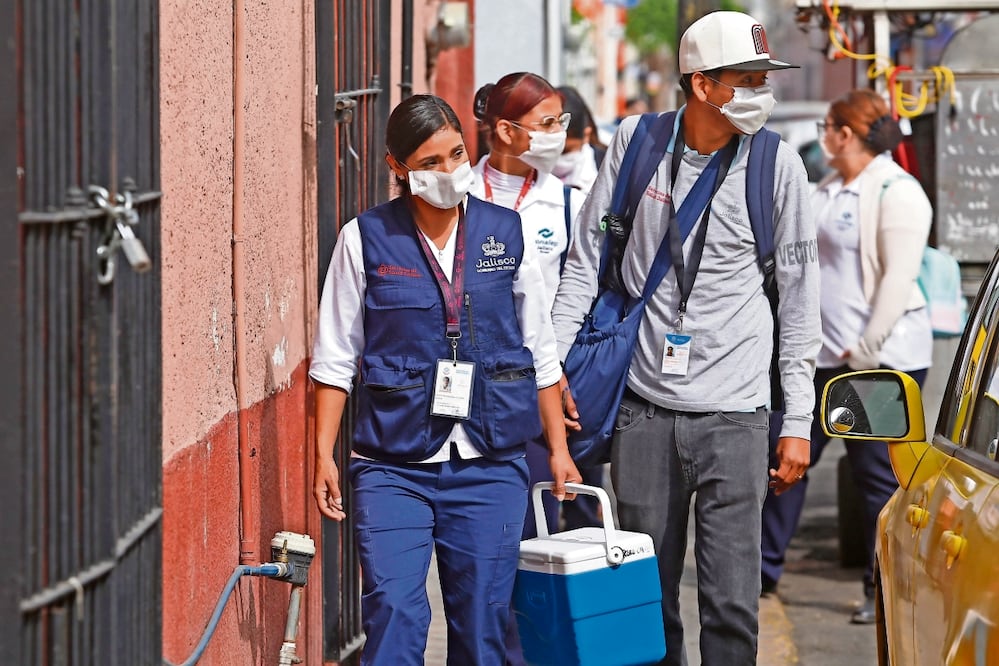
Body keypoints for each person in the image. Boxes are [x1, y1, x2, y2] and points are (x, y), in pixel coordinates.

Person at [550, 11, 821, 665]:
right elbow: (585, 259)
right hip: (644, 411)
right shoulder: (637, 145)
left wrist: (798, 420)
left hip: (736, 416)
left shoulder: (775, 166)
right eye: (747, 79)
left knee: (731, 606)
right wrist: (553, 365)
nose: (762, 93)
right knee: (649, 599)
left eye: (764, 78)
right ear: (701, 85)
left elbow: (801, 297)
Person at [310, 93, 581, 666]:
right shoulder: (364, 239)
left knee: (485, 622)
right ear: (397, 167)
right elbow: (334, 358)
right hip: (391, 465)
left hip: (490, 464)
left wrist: (557, 448)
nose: (449, 172)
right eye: (430, 163)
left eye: (456, 154)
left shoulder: (506, 233)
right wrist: (323, 456)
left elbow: (540, 350)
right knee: (394, 612)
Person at [760, 88, 932, 625]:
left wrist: (868, 352)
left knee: (876, 478)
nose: (823, 138)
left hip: (874, 363)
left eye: (828, 126)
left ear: (846, 134)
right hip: (819, 358)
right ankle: (760, 573)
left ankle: (879, 590)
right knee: (785, 460)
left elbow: (898, 282)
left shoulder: (898, 193)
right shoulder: (830, 189)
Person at [553, 85, 607, 190]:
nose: (558, 158)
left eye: (565, 151)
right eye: (554, 149)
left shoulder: (607, 167)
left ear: (586, 135)